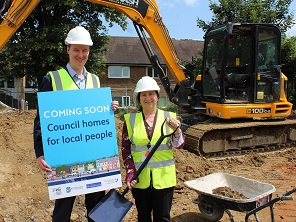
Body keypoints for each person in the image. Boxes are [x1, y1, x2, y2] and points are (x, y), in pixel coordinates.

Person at [33, 26, 119, 222]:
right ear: (68, 49)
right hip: (64, 155)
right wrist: (40, 153)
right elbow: (40, 121)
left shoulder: (96, 81)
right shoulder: (52, 79)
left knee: (96, 207)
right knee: (63, 208)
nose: (81, 55)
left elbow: (96, 118)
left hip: (93, 155)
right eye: (76, 49)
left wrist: (109, 108)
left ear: (89, 51)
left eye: (84, 50)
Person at [121, 76, 185, 222]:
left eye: (151, 94)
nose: (147, 98)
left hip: (163, 179)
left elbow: (179, 145)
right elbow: (126, 149)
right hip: (140, 178)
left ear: (157, 96)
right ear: (139, 98)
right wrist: (130, 172)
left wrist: (177, 131)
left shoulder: (169, 118)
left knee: (162, 218)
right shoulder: (130, 120)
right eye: (143, 94)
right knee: (143, 217)